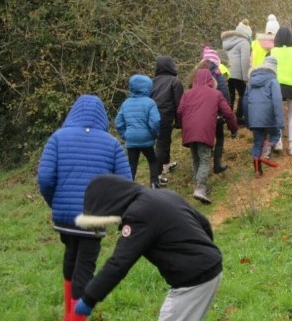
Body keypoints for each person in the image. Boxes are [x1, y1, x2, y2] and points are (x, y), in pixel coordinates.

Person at [73, 175, 223, 321]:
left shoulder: (138, 214)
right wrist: (204, 256)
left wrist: (89, 298)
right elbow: (204, 223)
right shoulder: (165, 194)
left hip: (194, 281)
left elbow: (119, 263)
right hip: (208, 269)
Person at [37, 95, 132, 321]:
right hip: (94, 218)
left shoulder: (58, 138)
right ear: (102, 117)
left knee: (71, 257)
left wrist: (55, 203)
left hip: (64, 218)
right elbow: (126, 184)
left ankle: (68, 314)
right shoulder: (111, 143)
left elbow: (45, 178)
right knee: (85, 269)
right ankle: (75, 318)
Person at [177, 68, 237, 204]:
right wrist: (233, 128)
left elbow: (180, 111)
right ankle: (200, 188)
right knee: (204, 159)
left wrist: (184, 126)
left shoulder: (187, 94)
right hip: (204, 129)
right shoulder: (215, 94)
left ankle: (198, 186)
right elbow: (228, 112)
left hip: (189, 130)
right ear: (211, 80)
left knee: (195, 159)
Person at [115, 74, 162, 188]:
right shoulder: (150, 102)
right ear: (147, 87)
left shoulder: (126, 103)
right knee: (152, 160)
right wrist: (154, 134)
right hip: (146, 138)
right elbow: (155, 121)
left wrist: (125, 135)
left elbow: (118, 122)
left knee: (131, 164)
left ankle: (128, 186)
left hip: (131, 139)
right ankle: (154, 182)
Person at [242, 56, 284, 177]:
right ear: (275, 68)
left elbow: (244, 101)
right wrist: (279, 121)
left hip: (254, 116)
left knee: (257, 141)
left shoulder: (250, 81)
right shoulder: (273, 80)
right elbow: (277, 101)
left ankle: (257, 171)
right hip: (268, 115)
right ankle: (265, 155)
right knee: (275, 134)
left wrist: (248, 119)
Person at [192, 46, 231, 175]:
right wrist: (227, 111)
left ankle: (204, 166)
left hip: (197, 114)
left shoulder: (196, 73)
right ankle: (217, 164)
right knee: (219, 137)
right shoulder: (217, 73)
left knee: (205, 139)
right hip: (216, 113)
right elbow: (224, 92)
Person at [270, 26, 292, 156]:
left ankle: (278, 141)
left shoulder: (272, 52)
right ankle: (291, 144)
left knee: (276, 114)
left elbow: (267, 70)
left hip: (275, 87)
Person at [151, 56, 184, 179]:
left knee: (164, 141)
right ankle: (157, 174)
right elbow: (179, 104)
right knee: (162, 144)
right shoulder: (175, 82)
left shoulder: (152, 81)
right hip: (165, 116)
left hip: (152, 116)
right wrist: (179, 122)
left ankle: (166, 165)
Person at [221, 19, 252, 125]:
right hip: (238, 73)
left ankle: (228, 118)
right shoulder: (244, 42)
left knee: (230, 95)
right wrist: (246, 77)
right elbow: (244, 61)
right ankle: (238, 117)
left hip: (227, 72)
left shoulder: (227, 41)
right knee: (243, 94)